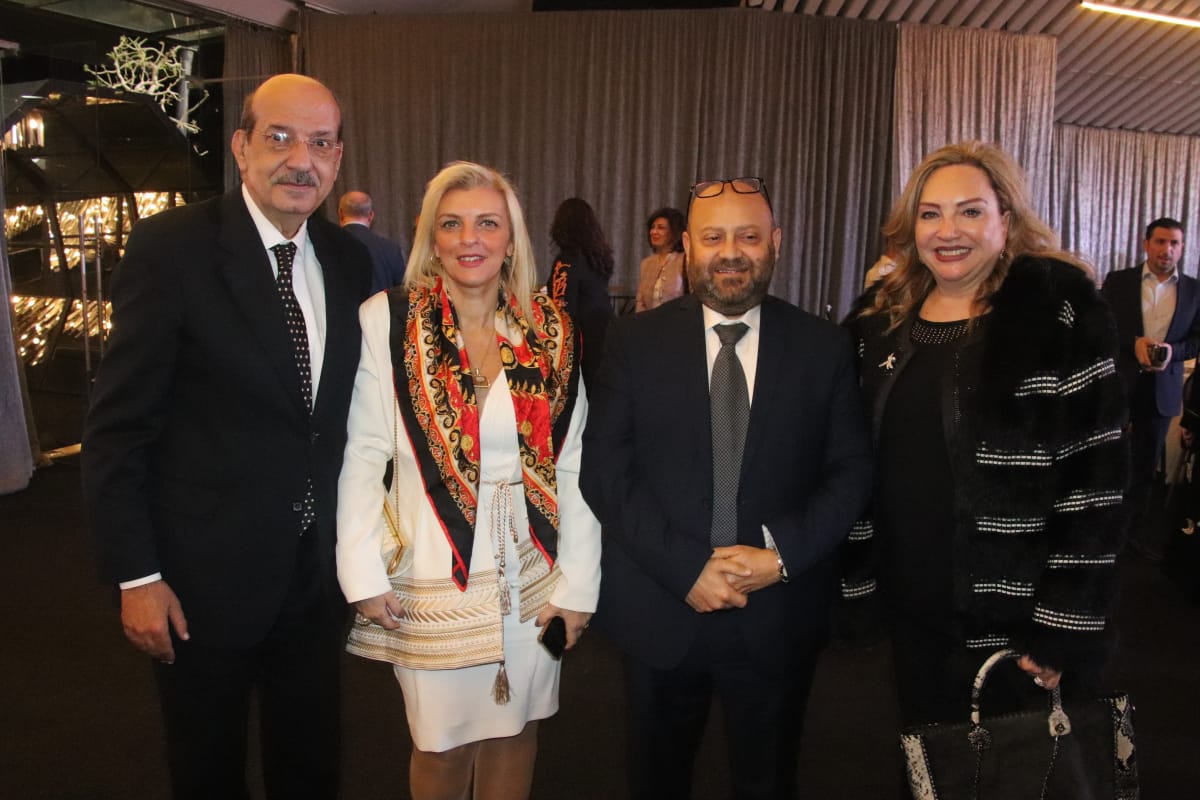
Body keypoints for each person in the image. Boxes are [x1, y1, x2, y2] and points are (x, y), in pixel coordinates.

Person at [81, 74, 371, 799]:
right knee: (207, 770)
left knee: (312, 766)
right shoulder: (172, 249)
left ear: (338, 160)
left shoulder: (348, 260)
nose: (300, 160)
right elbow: (118, 430)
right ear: (241, 147)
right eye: (280, 138)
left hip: (315, 578)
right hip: (199, 583)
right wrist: (137, 576)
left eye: (320, 143)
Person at [582, 177, 872, 800]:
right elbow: (604, 469)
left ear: (776, 242)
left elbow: (851, 471)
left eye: (748, 236)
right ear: (687, 247)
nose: (731, 252)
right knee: (656, 782)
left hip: (777, 613)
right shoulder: (633, 342)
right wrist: (686, 567)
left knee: (769, 783)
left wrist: (782, 556)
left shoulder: (824, 348)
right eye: (713, 237)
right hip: (662, 607)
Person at [336, 161, 601, 800]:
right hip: (431, 571)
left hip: (533, 573)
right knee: (439, 743)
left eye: (487, 223)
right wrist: (360, 571)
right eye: (451, 224)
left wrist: (580, 586)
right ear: (432, 237)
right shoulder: (388, 319)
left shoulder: (550, 329)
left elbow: (572, 463)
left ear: (512, 238)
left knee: (519, 731)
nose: (469, 239)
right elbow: (364, 453)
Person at [843, 141, 1129, 731]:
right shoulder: (879, 320)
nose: (948, 231)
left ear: (1007, 218)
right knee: (927, 756)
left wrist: (1061, 625)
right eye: (930, 214)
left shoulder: (1056, 312)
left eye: (970, 211)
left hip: (1016, 622)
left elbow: (1095, 483)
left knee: (1011, 765)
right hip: (910, 599)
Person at [1101, 218, 1200, 559]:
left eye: (1174, 243)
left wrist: (1173, 351)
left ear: (1182, 248)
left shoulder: (1195, 291)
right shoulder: (1118, 281)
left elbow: (1196, 341)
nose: (1166, 249)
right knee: (1106, 460)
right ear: (1146, 244)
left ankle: (1131, 535)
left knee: (1144, 467)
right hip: (1119, 383)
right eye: (1160, 241)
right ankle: (1098, 528)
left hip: (1162, 389)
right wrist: (1133, 343)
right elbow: (1101, 327)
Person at [547, 196, 616, 389]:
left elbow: (562, 307)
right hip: (606, 330)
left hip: (581, 339)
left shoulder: (566, 261)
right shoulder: (599, 257)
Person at [338, 189, 409, 294]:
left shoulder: (326, 246)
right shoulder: (391, 249)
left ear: (340, 213)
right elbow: (402, 293)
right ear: (371, 216)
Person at [634, 206, 686, 311]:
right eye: (652, 227)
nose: (653, 232)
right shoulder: (646, 263)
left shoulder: (686, 260)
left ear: (674, 232)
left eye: (661, 228)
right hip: (649, 320)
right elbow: (640, 302)